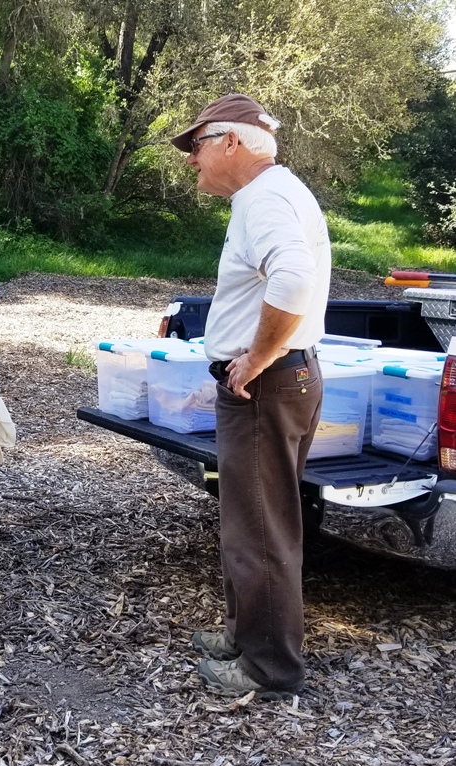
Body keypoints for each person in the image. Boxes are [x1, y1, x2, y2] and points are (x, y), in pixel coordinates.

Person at [170, 94, 331, 699]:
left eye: (198, 146)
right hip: (276, 379)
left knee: (260, 527)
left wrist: (258, 355)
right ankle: (245, 635)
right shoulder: (270, 195)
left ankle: (269, 669)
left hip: (267, 381)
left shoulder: (265, 198)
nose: (193, 160)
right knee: (248, 519)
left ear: (231, 142)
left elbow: (293, 276)